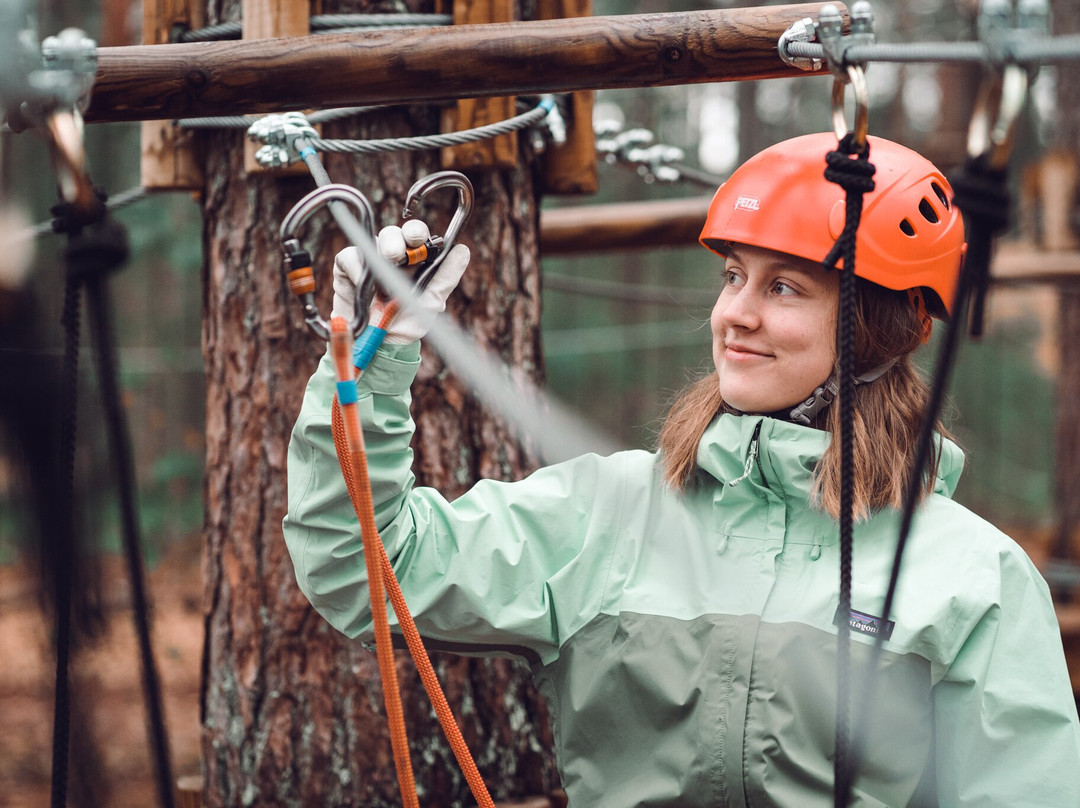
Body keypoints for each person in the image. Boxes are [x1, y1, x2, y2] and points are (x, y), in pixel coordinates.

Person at [283, 132, 1080, 807]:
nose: (735, 311)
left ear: (878, 327)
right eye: (733, 275)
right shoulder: (612, 513)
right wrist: (372, 364)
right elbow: (366, 568)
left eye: (784, 287)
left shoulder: (976, 581)